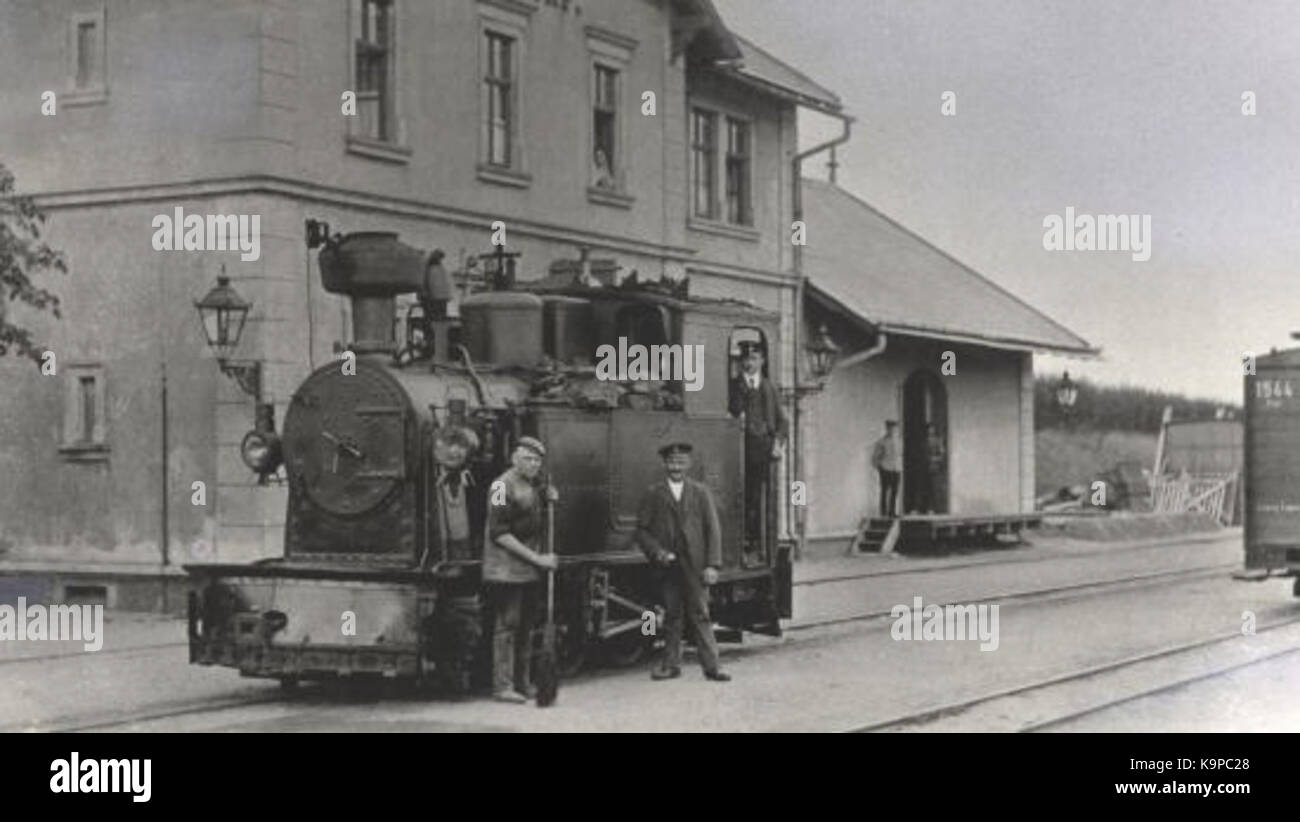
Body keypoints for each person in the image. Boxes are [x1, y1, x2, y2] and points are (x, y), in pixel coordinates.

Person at [634, 442, 731, 683]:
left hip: (696, 565)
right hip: (668, 565)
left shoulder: (700, 492)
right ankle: (671, 666)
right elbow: (642, 531)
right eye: (671, 462)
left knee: (701, 614)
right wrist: (658, 553)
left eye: (680, 462)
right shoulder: (653, 493)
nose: (676, 467)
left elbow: (713, 529)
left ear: (688, 464)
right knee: (672, 615)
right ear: (665, 464)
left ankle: (713, 668)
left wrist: (713, 565)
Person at [483, 437, 559, 704]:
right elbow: (499, 533)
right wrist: (538, 559)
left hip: (527, 569)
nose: (533, 464)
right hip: (505, 569)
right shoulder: (500, 486)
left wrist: (548, 496)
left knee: (526, 627)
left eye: (537, 460)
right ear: (514, 458)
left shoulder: (531, 484)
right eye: (527, 458)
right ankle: (502, 686)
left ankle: (522, 684)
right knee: (507, 627)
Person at [728, 341, 788, 550]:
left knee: (760, 497)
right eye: (745, 359)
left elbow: (783, 421)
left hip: (765, 450)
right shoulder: (733, 385)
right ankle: (743, 537)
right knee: (743, 494)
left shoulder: (770, 387)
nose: (749, 363)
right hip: (739, 449)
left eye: (754, 359)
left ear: (762, 361)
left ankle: (757, 540)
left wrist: (777, 444)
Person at [425, 425, 480, 567]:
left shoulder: (496, 483)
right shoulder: (434, 479)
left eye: (459, 448)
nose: (454, 452)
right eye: (449, 447)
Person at [870, 420, 901, 518]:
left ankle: (892, 511)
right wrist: (879, 467)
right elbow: (875, 456)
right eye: (890, 428)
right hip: (886, 467)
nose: (892, 430)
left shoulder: (898, 441)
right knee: (885, 490)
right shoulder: (882, 442)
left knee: (895, 490)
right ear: (887, 429)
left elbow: (900, 454)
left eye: (894, 428)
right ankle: (883, 512)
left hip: (896, 468)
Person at [918, 423, 945, 514]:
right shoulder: (923, 441)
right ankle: (923, 508)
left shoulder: (938, 441)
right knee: (924, 488)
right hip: (924, 468)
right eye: (929, 430)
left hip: (934, 467)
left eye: (932, 429)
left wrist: (934, 459)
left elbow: (942, 455)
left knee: (935, 489)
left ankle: (934, 508)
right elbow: (921, 454)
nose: (930, 431)